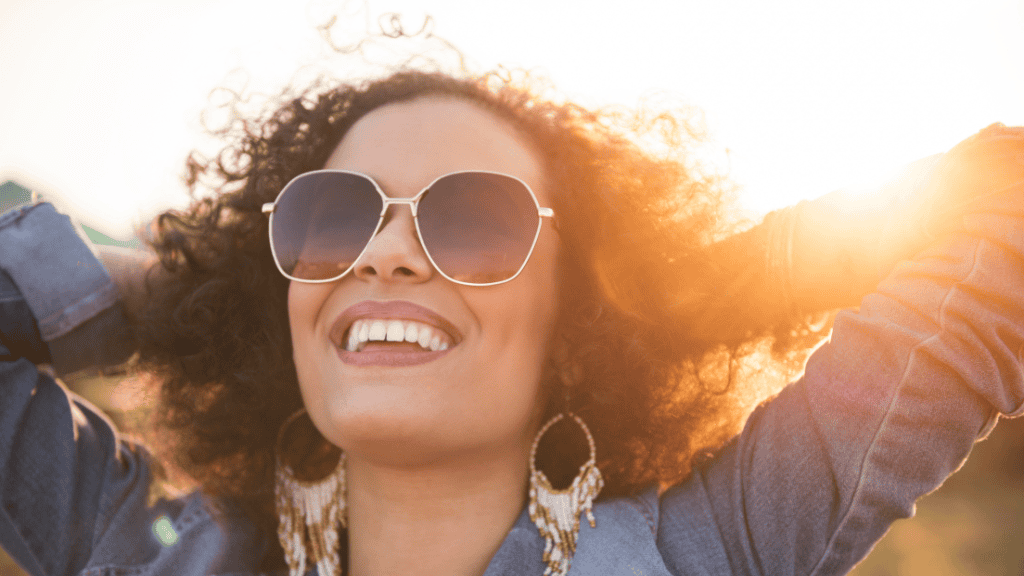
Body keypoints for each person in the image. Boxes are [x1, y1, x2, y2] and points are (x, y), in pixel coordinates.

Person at [0, 62, 1022, 576]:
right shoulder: (146, 551)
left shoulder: (721, 543)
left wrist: (683, 296)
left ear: (568, 310)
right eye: (331, 218)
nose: (383, 252)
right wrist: (201, 294)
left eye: (474, 220)